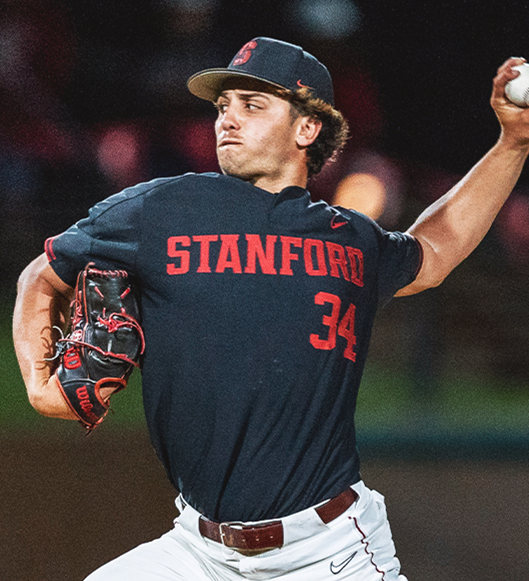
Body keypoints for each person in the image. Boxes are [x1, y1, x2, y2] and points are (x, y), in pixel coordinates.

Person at [12, 37, 529, 580]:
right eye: (222, 106)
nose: (226, 120)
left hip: (328, 553)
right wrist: (38, 382)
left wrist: (512, 144)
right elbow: (41, 276)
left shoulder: (349, 239)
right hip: (197, 551)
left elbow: (438, 248)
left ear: (307, 129)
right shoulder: (159, 209)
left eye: (252, 105)